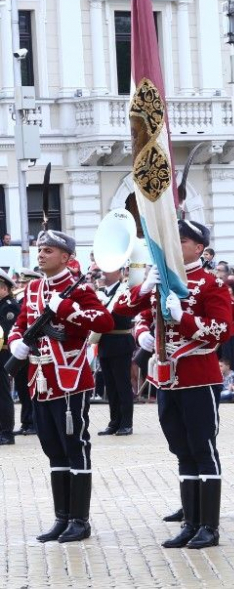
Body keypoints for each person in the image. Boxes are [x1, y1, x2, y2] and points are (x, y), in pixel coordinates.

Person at [115, 220, 233, 549]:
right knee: (182, 452)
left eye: (181, 241)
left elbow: (223, 329)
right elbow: (121, 309)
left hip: (198, 377)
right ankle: (191, 523)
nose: (174, 247)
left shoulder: (212, 284)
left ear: (199, 247)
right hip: (167, 380)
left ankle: (208, 526)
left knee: (202, 450)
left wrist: (184, 318)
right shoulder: (161, 279)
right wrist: (143, 291)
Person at [8, 229, 113, 543]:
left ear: (66, 257)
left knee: (75, 447)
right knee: (52, 448)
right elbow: (22, 324)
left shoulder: (76, 289)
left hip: (69, 379)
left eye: (48, 251)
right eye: (40, 250)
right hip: (40, 379)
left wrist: (65, 308)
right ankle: (62, 517)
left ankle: (79, 520)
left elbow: (104, 321)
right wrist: (16, 343)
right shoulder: (34, 288)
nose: (41, 255)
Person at [93, 266, 136, 437]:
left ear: (119, 272)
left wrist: (105, 305)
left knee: (122, 385)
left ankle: (126, 423)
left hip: (120, 341)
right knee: (110, 386)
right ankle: (114, 421)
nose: (105, 273)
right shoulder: (101, 292)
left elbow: (126, 318)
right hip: (105, 341)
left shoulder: (124, 291)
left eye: (109, 269)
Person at [0, 267, 21, 445]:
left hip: (3, 353)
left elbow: (6, 332)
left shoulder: (9, 307)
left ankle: (7, 432)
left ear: (5, 288)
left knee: (3, 393)